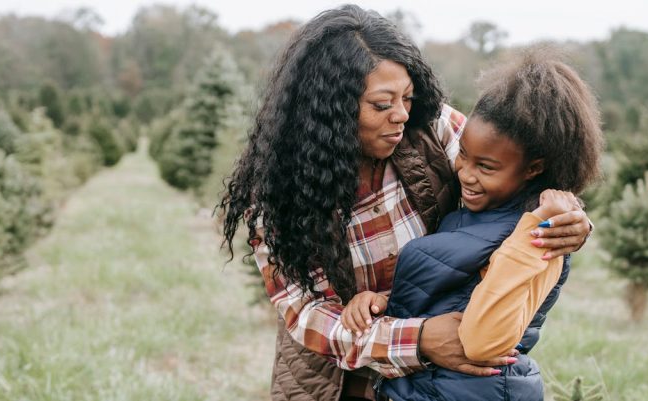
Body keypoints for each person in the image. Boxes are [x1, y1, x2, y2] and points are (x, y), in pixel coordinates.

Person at [218, 5, 593, 401]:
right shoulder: (278, 196)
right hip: (341, 381)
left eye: (408, 97)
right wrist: (419, 340)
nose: (400, 114)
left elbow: (516, 180)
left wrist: (571, 219)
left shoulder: (434, 129)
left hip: (445, 380)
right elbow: (307, 316)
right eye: (381, 105)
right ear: (330, 110)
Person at [340, 49, 603, 400]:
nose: (465, 172)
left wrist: (531, 235)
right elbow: (456, 291)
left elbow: (482, 342)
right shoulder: (474, 214)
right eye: (463, 154)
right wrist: (381, 302)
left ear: (533, 168)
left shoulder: (541, 236)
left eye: (487, 167)